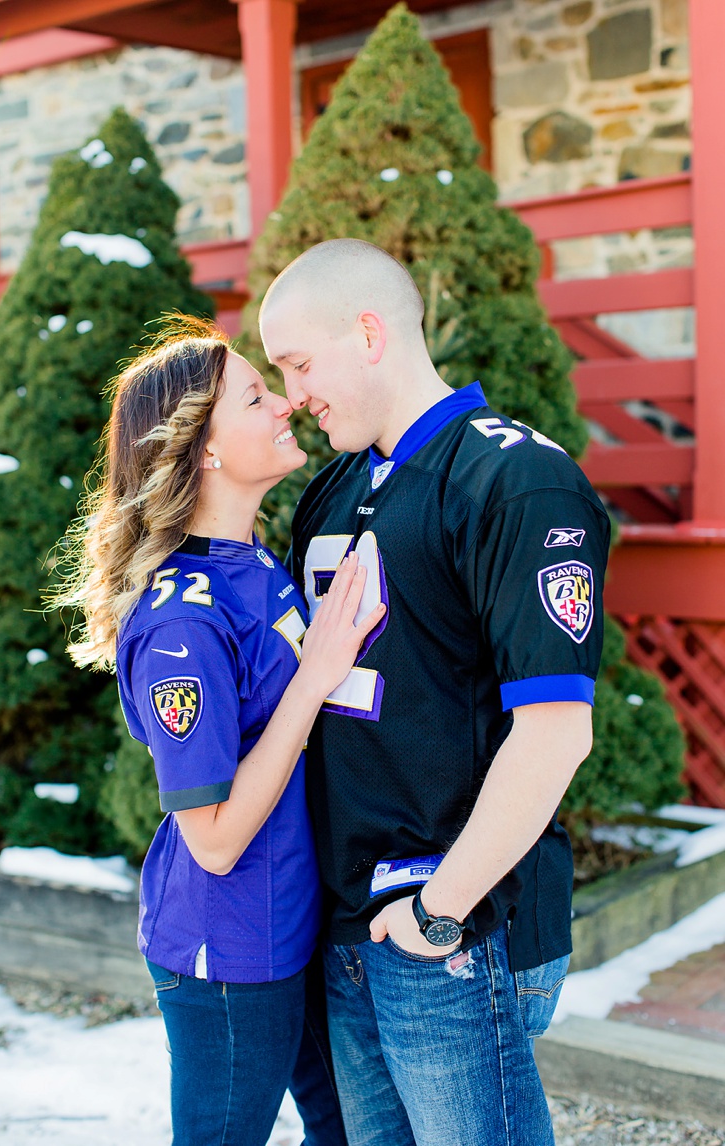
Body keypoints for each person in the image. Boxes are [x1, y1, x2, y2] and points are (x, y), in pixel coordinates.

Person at [260, 238, 608, 1146]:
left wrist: (438, 909)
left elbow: (556, 730)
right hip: (344, 925)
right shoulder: (330, 490)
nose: (293, 395)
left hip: (452, 925)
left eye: (299, 364)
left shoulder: (516, 480)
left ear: (369, 333)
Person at [50, 320, 379, 1145]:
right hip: (231, 947)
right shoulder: (181, 630)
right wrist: (315, 678)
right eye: (258, 397)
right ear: (205, 450)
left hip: (296, 922)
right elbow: (217, 841)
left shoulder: (256, 561)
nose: (287, 404)